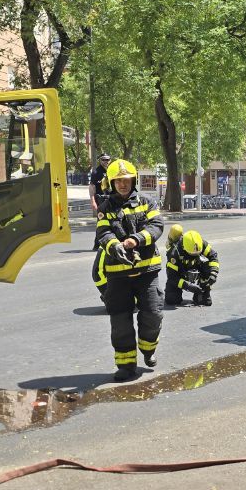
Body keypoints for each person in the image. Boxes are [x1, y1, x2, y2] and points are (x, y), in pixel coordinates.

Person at [96, 159, 165, 381]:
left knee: (153, 315)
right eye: (118, 181)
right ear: (112, 183)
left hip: (147, 272)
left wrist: (136, 240)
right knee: (120, 321)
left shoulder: (147, 202)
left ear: (133, 181)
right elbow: (103, 233)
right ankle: (126, 366)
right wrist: (115, 245)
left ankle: (148, 348)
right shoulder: (105, 208)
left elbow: (156, 226)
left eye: (126, 180)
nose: (123, 185)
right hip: (118, 275)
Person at [165, 229, 219, 306]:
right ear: (184, 247)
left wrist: (213, 273)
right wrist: (187, 286)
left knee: (208, 266)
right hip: (180, 272)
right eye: (192, 254)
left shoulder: (202, 243)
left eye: (198, 253)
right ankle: (176, 292)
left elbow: (213, 257)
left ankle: (202, 292)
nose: (195, 256)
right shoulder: (174, 252)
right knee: (172, 300)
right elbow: (172, 276)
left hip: (197, 267)